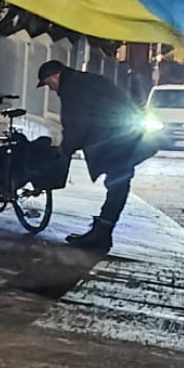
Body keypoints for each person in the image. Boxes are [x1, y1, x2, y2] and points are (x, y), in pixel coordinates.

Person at [41, 58, 156, 251]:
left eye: (48, 84)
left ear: (54, 75)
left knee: (117, 185)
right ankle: (102, 231)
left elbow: (76, 123)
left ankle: (102, 235)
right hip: (124, 137)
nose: (51, 89)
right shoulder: (86, 80)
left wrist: (65, 148)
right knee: (118, 184)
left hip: (114, 141)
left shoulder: (72, 88)